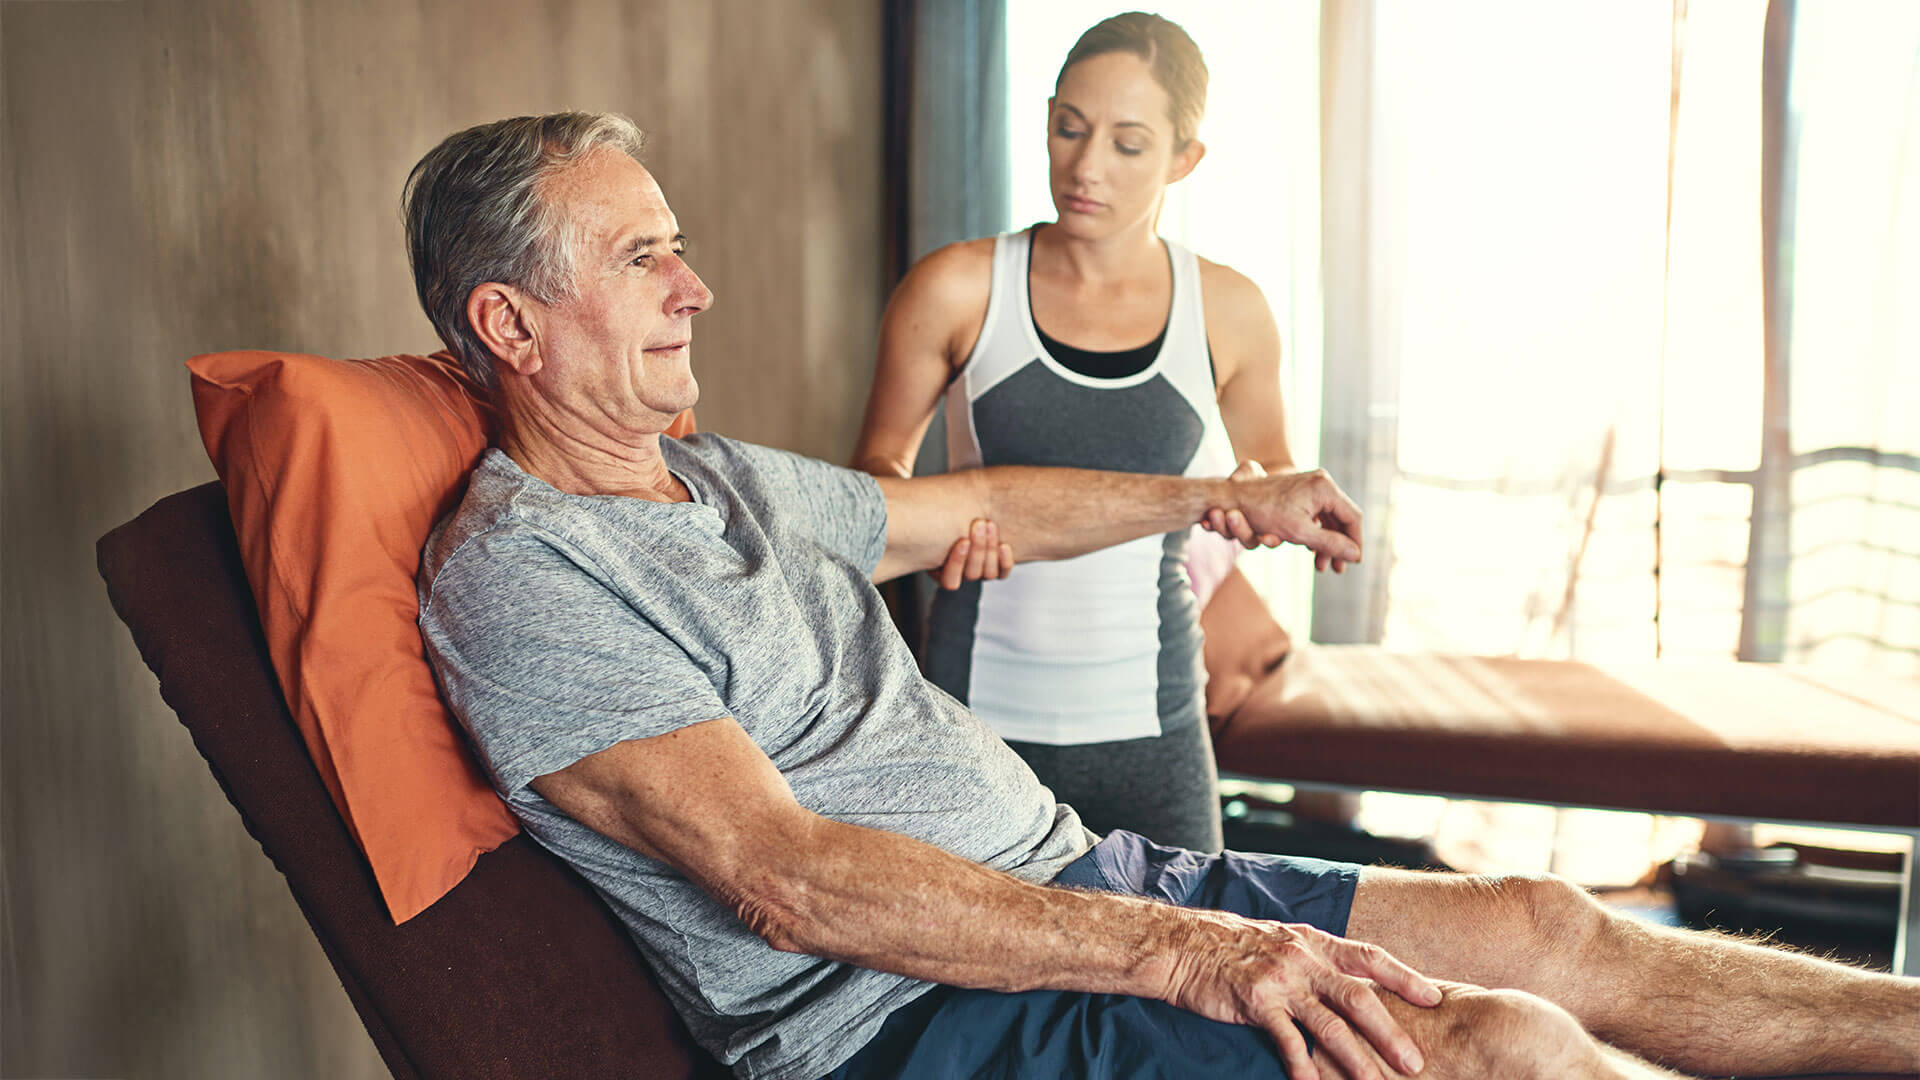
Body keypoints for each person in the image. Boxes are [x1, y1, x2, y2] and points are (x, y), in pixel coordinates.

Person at [408, 112, 1918, 1080]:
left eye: (680, 248)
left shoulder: (721, 478)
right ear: (511, 324)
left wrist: (1222, 501)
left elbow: (978, 504)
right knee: (1496, 1050)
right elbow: (785, 874)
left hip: (1079, 886)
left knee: (1547, 926)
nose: (696, 288)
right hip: (917, 1019)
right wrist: (1189, 952)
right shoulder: (526, 580)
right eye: (644, 257)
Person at [852, 13, 1304, 852]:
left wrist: (1260, 504)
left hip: (1155, 726)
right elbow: (874, 480)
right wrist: (939, 521)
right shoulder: (957, 288)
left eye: (1129, 144)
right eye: (1069, 128)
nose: (1086, 166)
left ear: (1183, 158)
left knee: (1197, 966)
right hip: (973, 719)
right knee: (968, 974)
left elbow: (1268, 471)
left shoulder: (1230, 310)